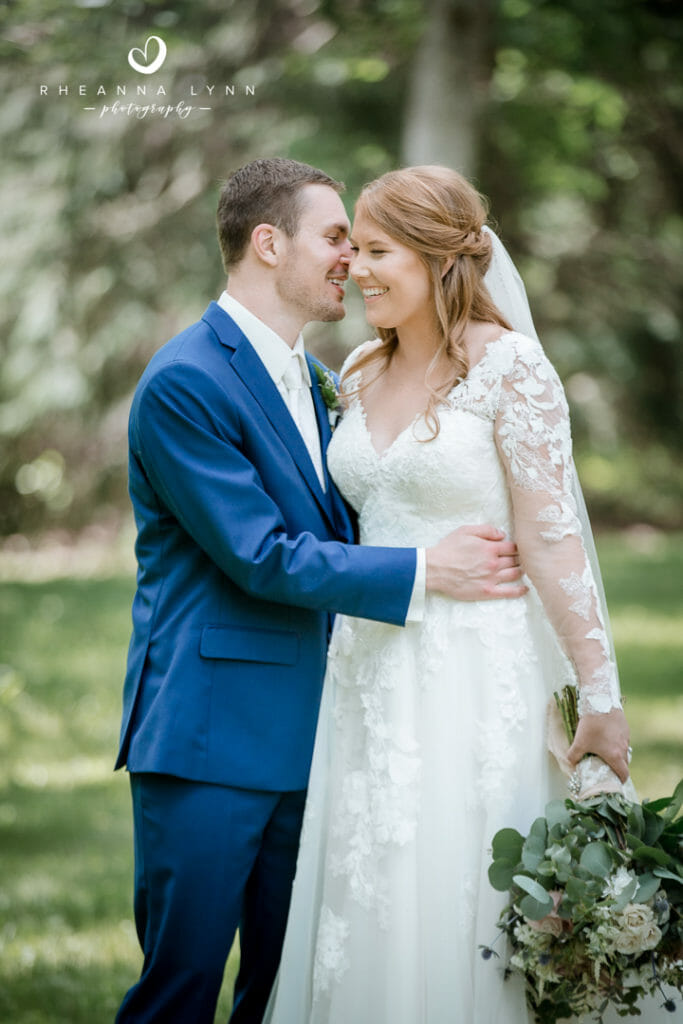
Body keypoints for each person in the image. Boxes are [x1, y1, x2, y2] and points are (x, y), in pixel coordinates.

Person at [114, 158, 530, 1024]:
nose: (353, 257)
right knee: (179, 991)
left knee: (284, 991)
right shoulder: (186, 380)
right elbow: (261, 555)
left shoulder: (320, 378)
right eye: (336, 236)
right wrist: (426, 569)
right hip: (208, 737)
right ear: (269, 244)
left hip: (322, 735)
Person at [264, 165, 635, 1024]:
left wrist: (600, 696)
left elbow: (552, 539)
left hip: (474, 669)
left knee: (466, 885)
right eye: (354, 249)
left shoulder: (511, 367)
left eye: (378, 251)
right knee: (370, 885)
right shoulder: (358, 369)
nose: (356, 269)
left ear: (438, 259)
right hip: (367, 670)